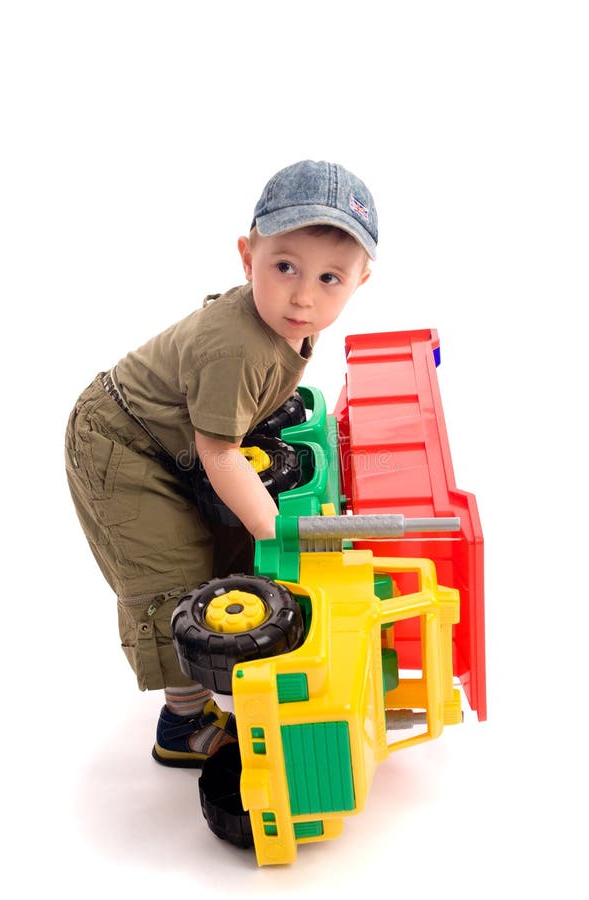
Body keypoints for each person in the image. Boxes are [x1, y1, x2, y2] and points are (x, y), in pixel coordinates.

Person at [65, 159, 378, 767]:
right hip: (120, 445)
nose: (304, 295)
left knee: (223, 544)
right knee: (170, 575)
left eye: (330, 278)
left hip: (174, 442)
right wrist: (279, 531)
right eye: (284, 266)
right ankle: (181, 723)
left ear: (360, 282)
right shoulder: (234, 346)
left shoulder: (289, 325)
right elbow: (218, 451)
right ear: (247, 256)